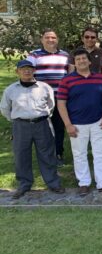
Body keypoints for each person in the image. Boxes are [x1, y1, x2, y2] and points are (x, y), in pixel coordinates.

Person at [1, 60, 64, 199]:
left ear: (34, 70)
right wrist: (16, 119)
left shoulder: (44, 87)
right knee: (21, 156)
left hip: (42, 124)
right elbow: (4, 109)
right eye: (23, 69)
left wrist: (41, 116)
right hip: (20, 126)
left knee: (47, 154)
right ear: (17, 71)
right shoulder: (11, 90)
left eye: (29, 68)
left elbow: (51, 105)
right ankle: (24, 184)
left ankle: (53, 183)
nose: (27, 71)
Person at [56, 49, 102, 195]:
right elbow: (61, 103)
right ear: (74, 63)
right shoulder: (67, 80)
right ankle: (84, 183)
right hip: (76, 123)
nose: (81, 61)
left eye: (84, 58)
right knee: (79, 154)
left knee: (100, 153)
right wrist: (68, 124)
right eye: (78, 59)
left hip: (98, 122)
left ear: (89, 61)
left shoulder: (100, 78)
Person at [27, 28, 70, 165]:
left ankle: (58, 154)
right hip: (41, 99)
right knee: (43, 129)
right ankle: (45, 156)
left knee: (59, 127)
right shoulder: (34, 55)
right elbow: (27, 74)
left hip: (60, 98)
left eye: (53, 37)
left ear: (57, 40)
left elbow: (70, 75)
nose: (50, 40)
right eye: (47, 37)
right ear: (42, 39)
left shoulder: (65, 55)